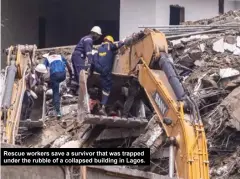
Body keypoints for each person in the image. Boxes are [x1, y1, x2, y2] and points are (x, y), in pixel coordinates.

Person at [92, 35, 125, 115]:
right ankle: (103, 107)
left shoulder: (99, 48)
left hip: (100, 71)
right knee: (107, 89)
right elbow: (118, 45)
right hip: (107, 71)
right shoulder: (110, 46)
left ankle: (102, 106)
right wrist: (124, 40)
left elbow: (94, 60)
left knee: (104, 88)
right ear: (110, 41)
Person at [43, 52, 73, 118]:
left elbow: (43, 69)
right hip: (63, 74)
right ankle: (63, 93)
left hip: (55, 75)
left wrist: (42, 80)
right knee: (61, 83)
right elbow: (68, 66)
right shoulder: (60, 56)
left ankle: (58, 111)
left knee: (55, 92)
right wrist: (71, 76)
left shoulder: (47, 59)